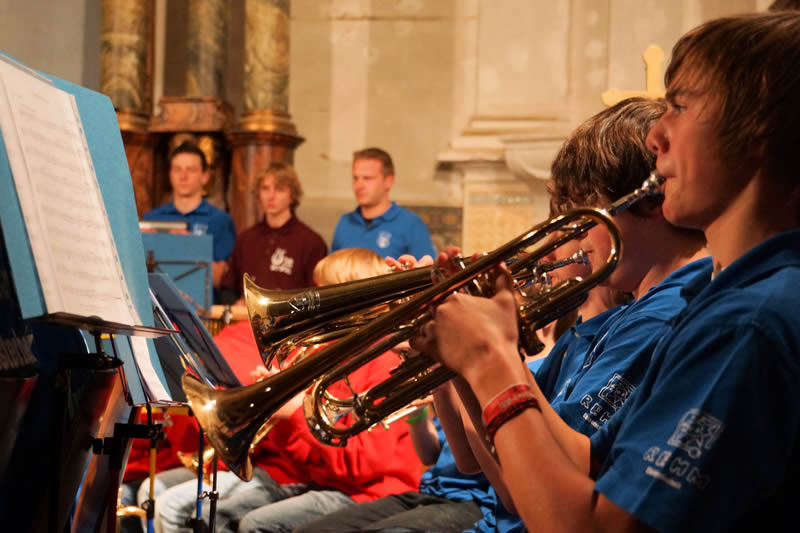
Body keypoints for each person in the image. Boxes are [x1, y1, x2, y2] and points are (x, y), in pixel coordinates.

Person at [417, 12, 800, 532]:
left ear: (758, 132)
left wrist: (490, 361)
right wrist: (483, 353)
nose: (657, 136)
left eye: (680, 106)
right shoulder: (727, 300)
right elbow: (590, 463)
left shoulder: (745, 324)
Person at [153, 248, 422, 533]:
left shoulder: (382, 362)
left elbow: (360, 467)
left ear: (359, 299)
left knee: (252, 523)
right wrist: (274, 405)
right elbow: (301, 458)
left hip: (365, 491)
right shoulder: (326, 353)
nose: (316, 303)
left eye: (328, 293)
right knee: (217, 514)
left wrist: (297, 413)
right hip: (320, 480)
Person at [220, 162, 327, 300]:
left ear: (292, 195)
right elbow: (228, 287)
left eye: (279, 189)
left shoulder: (311, 242)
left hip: (290, 313)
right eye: (265, 188)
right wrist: (236, 304)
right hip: (245, 312)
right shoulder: (246, 238)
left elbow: (317, 296)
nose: (270, 196)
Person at [142, 141, 236, 288]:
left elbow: (219, 279)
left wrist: (188, 244)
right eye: (177, 169)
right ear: (170, 174)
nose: (183, 176)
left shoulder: (220, 220)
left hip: (200, 300)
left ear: (205, 176)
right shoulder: (151, 218)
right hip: (155, 299)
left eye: (190, 170)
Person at [331, 147, 437, 259]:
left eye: (367, 178)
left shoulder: (411, 224)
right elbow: (331, 267)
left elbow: (427, 268)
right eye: (355, 178)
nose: (359, 186)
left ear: (388, 181)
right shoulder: (345, 222)